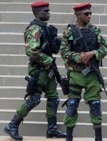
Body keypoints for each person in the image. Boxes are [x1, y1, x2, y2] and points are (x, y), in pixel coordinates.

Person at [3, 1, 66, 140]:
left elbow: (52, 50)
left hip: (48, 69)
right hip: (39, 69)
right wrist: (48, 60)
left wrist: (56, 43)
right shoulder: (34, 29)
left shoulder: (45, 29)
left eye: (49, 10)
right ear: (37, 12)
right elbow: (32, 51)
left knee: (54, 98)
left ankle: (52, 129)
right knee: (34, 99)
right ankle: (12, 125)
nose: (48, 13)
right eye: (45, 11)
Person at [60, 3, 107, 141]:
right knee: (72, 104)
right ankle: (69, 136)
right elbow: (63, 51)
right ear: (78, 15)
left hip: (92, 74)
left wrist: (93, 53)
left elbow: (105, 49)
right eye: (86, 14)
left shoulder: (95, 30)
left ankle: (98, 137)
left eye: (90, 13)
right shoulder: (69, 31)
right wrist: (79, 57)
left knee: (95, 104)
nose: (89, 16)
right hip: (75, 74)